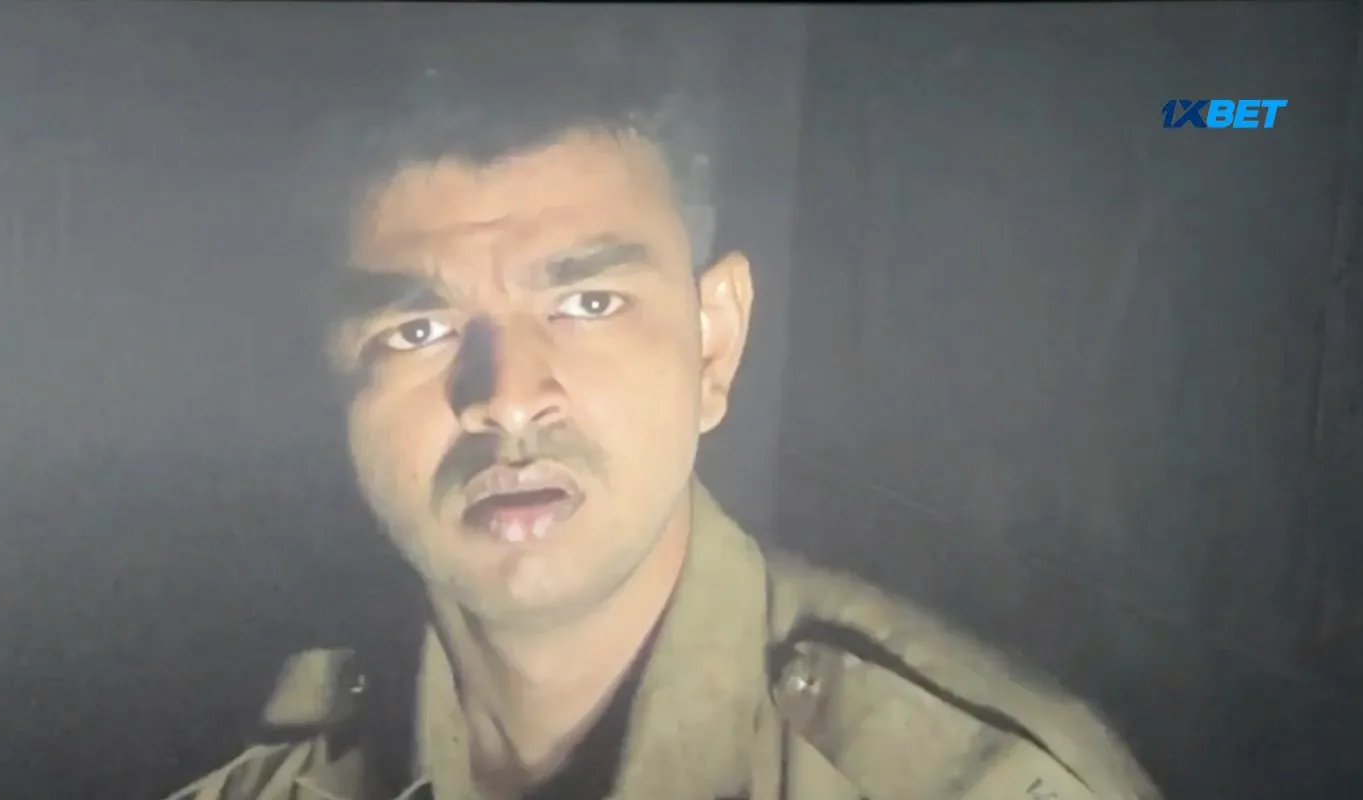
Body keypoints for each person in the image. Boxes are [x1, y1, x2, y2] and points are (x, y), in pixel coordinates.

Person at [169, 14, 1160, 800]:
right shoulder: (227, 765)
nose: (508, 397)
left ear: (714, 342)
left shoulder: (980, 782)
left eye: (589, 304)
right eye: (419, 328)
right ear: (330, 377)